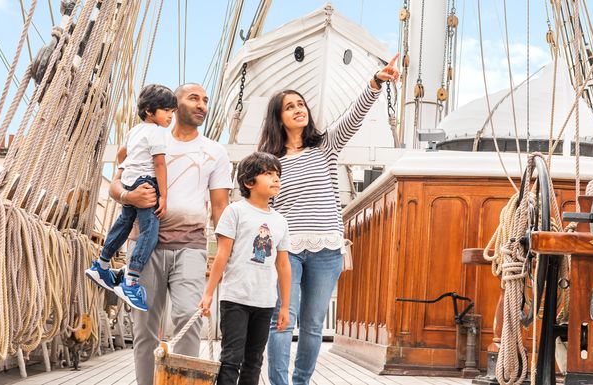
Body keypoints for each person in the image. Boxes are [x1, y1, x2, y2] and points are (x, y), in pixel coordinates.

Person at [258, 54, 400, 385]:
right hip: (286, 249)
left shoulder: (324, 147)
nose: (298, 109)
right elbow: (262, 210)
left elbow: (354, 116)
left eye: (301, 104)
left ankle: (301, 382)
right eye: (290, 106)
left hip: (327, 247)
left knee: (312, 324)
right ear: (278, 118)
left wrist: (376, 82)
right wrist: (259, 252)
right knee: (283, 321)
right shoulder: (270, 161)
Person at [109, 83, 232, 385]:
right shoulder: (147, 138)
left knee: (189, 319)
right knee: (144, 328)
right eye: (194, 98)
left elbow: (220, 207)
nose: (203, 105)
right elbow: (115, 185)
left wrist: (228, 253)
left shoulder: (214, 151)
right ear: (174, 106)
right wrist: (129, 198)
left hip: (190, 245)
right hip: (144, 245)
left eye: (206, 100)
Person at [199, 152, 292, 385]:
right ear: (249, 182)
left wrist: (286, 307)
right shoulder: (235, 212)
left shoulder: (280, 221)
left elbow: (283, 264)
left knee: (254, 361)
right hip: (235, 299)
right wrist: (208, 293)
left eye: (277, 174)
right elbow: (222, 255)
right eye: (268, 173)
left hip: (265, 301)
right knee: (231, 358)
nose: (276, 179)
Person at [85, 84, 175, 311]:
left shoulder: (135, 130)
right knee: (149, 232)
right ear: (149, 111)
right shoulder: (156, 132)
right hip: (147, 182)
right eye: (166, 111)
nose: (170, 116)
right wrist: (163, 195)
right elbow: (159, 163)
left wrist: (131, 167)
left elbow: (121, 154)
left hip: (130, 180)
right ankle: (131, 280)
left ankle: (102, 264)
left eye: (172, 112)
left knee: (124, 223)